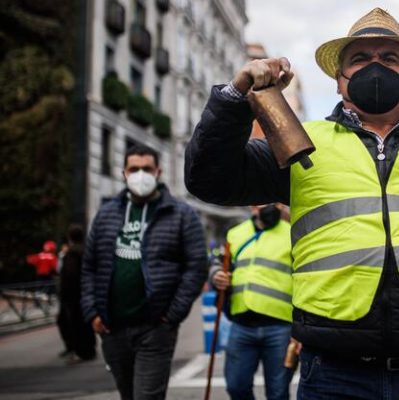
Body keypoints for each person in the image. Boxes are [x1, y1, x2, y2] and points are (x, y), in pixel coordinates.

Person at [185, 7, 399, 399]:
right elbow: (207, 179)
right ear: (340, 81)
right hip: (334, 373)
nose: (375, 67)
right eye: (360, 59)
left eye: (389, 58)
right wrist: (234, 97)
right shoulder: (300, 143)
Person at [82, 143, 207, 400]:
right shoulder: (106, 214)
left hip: (155, 329)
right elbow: (90, 266)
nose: (141, 174)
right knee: (128, 395)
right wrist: (92, 311)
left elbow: (196, 267)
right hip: (112, 329)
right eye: (134, 168)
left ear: (158, 172)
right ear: (124, 173)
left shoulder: (182, 215)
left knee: (147, 397)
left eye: (147, 168)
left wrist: (172, 315)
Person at [210, 203, 294, 400]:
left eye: (274, 201)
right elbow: (218, 262)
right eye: (262, 202)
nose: (270, 206)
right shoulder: (235, 233)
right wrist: (216, 275)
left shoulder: (292, 233)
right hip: (242, 326)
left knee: (278, 393)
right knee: (236, 387)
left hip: (281, 327)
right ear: (253, 207)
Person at [57, 224, 96, 363]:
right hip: (85, 292)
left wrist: (64, 292)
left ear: (69, 236)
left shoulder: (72, 252)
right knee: (85, 322)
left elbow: (70, 274)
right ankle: (88, 350)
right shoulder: (86, 250)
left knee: (74, 323)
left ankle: (80, 351)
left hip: (73, 295)